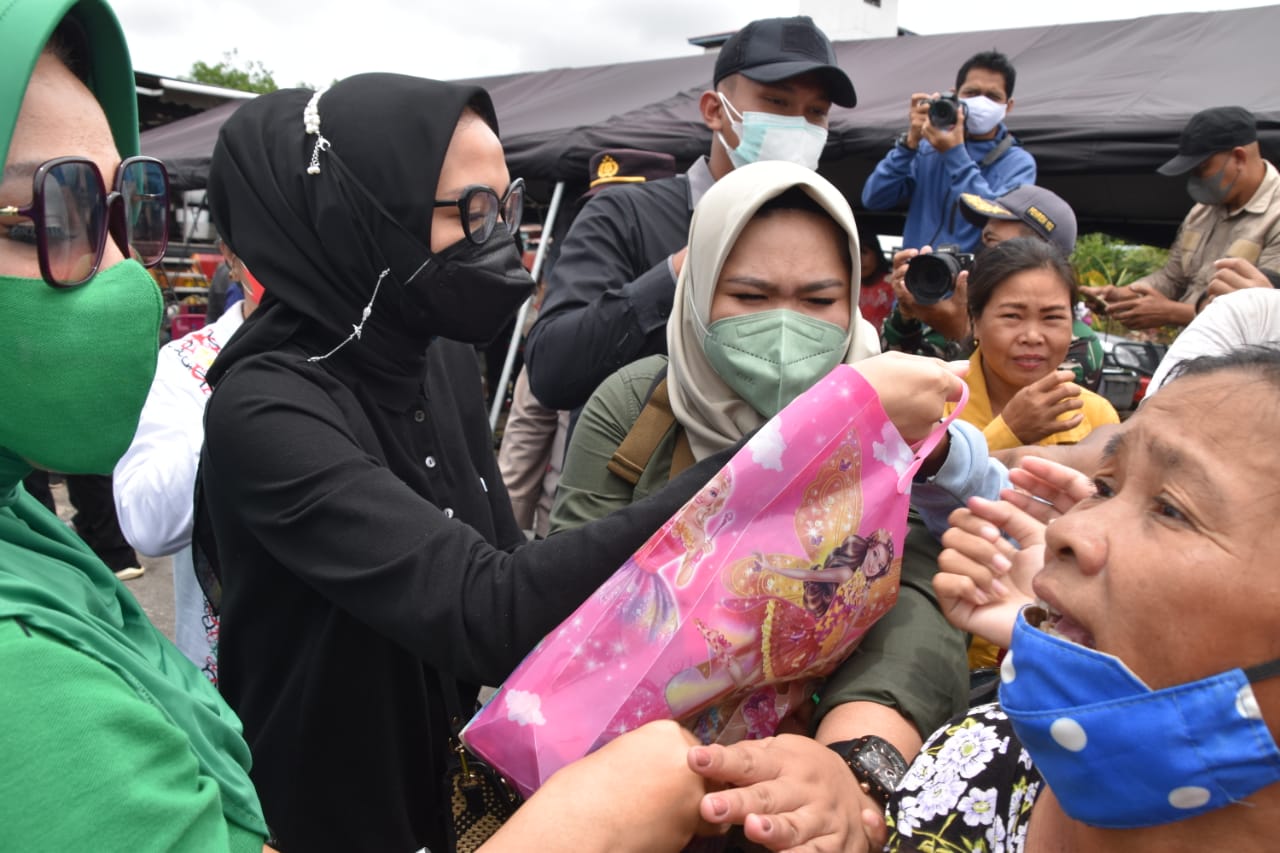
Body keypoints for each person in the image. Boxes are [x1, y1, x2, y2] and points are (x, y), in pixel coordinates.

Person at [197, 76, 961, 852]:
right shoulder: (266, 410)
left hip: (447, 785)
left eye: (508, 204)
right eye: (472, 211)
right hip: (321, 806)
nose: (503, 238)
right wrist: (806, 442)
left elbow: (511, 564)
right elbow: (489, 610)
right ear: (357, 212)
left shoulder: (437, 356)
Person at [480, 350, 1280, 853]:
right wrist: (837, 794)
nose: (1074, 530)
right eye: (1104, 486)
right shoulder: (998, 750)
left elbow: (901, 620)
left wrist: (857, 767)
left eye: (1170, 507)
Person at [547, 159, 969, 849]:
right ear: (698, 291)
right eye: (748, 294)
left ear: (856, 300)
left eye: (817, 298)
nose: (783, 326)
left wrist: (854, 761)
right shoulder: (632, 406)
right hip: (622, 778)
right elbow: (570, 592)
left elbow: (918, 587)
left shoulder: (901, 406)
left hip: (801, 796)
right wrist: (807, 438)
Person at [0, 1, 270, 849]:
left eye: (124, 206)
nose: (129, 277)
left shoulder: (24, 524)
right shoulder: (21, 671)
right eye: (58, 208)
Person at [524, 15, 857, 412]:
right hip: (641, 470)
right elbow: (552, 371)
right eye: (777, 103)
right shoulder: (624, 213)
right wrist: (680, 272)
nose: (798, 126)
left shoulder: (829, 231)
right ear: (715, 110)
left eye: (816, 112)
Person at [113, 237, 264, 683]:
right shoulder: (188, 365)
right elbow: (148, 525)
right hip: (226, 683)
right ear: (231, 256)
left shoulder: (376, 355)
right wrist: (246, 400)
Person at [885, 184, 1105, 390]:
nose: (977, 256)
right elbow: (891, 384)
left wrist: (963, 333)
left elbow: (1027, 411)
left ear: (1039, 253)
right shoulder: (950, 310)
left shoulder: (1077, 344)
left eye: (991, 244)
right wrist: (906, 315)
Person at [1099, 106, 1280, 330]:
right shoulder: (1201, 211)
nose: (1195, 179)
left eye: (1202, 169)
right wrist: (1126, 295)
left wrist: (1172, 313)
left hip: (1244, 360)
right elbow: (1173, 277)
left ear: (1239, 158)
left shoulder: (1275, 216)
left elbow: (1259, 307)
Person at [950, 237, 1118, 454]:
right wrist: (1009, 433)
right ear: (976, 321)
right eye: (1012, 316)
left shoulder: (1097, 416)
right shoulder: (932, 406)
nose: (1032, 336)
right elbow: (915, 487)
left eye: (1052, 317)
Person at [861, 50, 1036, 254]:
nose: (981, 101)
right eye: (972, 93)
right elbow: (874, 198)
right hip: (915, 275)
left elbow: (994, 222)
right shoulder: (928, 149)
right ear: (955, 95)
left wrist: (954, 154)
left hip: (969, 281)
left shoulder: (1018, 163)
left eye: (993, 96)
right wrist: (909, 145)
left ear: (1008, 106)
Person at [858, 225, 894, 333]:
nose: (859, 259)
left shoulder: (893, 285)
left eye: (864, 252)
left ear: (877, 254)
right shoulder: (847, 286)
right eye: (855, 253)